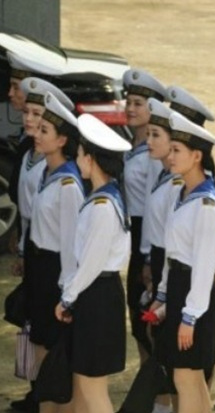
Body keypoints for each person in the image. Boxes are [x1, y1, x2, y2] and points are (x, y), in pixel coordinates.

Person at [55, 113, 132, 413]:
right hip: (96, 294)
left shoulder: (103, 205)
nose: (77, 160)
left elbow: (91, 261)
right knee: (86, 383)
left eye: (79, 154)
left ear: (92, 158)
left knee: (92, 386)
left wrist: (67, 297)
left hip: (97, 294)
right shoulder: (104, 196)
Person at [151, 112, 215, 413]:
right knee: (188, 378)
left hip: (196, 293)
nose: (170, 157)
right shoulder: (182, 193)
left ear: (196, 156)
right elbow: (173, 252)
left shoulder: (206, 204)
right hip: (180, 287)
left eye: (177, 150)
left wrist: (190, 316)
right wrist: (163, 295)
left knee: (185, 376)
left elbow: (205, 265)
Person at [29, 92, 84, 413]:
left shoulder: (68, 185)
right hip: (39, 265)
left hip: (56, 273)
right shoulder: (45, 172)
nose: (36, 134)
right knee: (38, 343)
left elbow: (70, 244)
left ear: (62, 140)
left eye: (44, 130)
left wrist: (66, 292)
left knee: (52, 349)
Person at [137, 98, 182, 413]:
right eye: (149, 134)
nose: (149, 141)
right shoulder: (164, 174)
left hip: (170, 263)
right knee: (158, 340)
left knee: (174, 349)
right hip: (156, 258)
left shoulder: (177, 182)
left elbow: (172, 237)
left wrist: (159, 279)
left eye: (156, 135)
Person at [122, 68, 167, 362]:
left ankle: (156, 386)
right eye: (128, 102)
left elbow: (154, 205)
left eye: (139, 104)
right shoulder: (134, 144)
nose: (130, 108)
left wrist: (149, 256)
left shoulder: (152, 154)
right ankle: (147, 379)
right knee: (138, 319)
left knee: (147, 318)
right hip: (135, 234)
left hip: (147, 236)